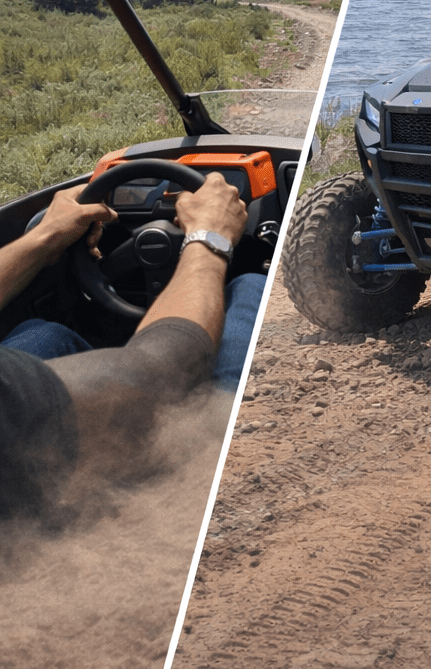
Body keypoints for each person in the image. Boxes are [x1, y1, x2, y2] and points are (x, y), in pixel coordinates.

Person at [0, 174, 258, 517]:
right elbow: (153, 378)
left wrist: (44, 238)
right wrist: (210, 238)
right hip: (38, 535)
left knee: (44, 333)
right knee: (251, 288)